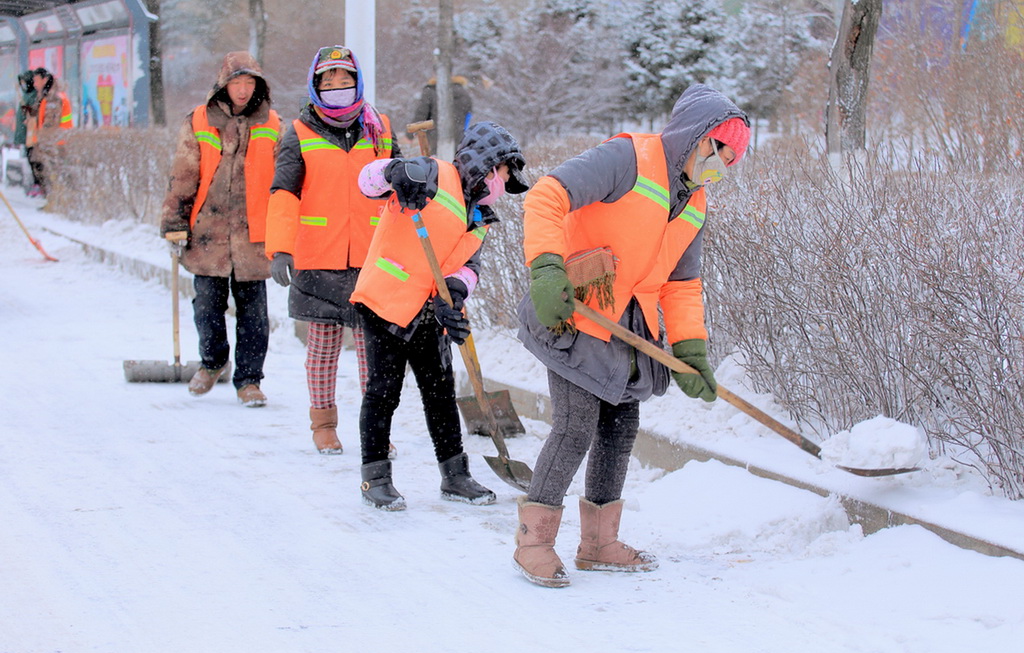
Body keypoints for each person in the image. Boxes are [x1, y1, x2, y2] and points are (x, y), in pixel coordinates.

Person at [513, 83, 751, 587]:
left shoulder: (694, 202)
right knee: (575, 426)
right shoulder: (628, 158)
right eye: (720, 149)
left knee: (619, 430)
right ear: (696, 137)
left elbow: (682, 282)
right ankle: (533, 542)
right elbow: (548, 194)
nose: (722, 165)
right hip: (574, 308)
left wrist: (691, 347)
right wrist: (546, 267)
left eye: (732, 158)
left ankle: (598, 543)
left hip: (628, 325)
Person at [351, 121, 529, 510]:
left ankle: (455, 475)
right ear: (487, 163)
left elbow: (469, 266)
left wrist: (456, 295)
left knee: (441, 394)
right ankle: (375, 479)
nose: (504, 181)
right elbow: (366, 183)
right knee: (384, 393)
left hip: (428, 311)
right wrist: (392, 172)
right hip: (385, 301)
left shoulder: (480, 215)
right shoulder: (430, 172)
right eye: (503, 171)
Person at [264, 45, 400, 454]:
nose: (338, 88)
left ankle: (375, 427)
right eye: (329, 82)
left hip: (371, 255)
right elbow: (284, 191)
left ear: (357, 83)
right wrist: (280, 248)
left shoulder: (381, 128)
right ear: (315, 86)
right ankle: (323, 424)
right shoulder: (300, 132)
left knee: (371, 353)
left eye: (345, 80)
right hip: (317, 255)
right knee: (323, 349)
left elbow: (400, 184)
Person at [160, 51, 280, 407]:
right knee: (207, 306)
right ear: (223, 84)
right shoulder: (199, 120)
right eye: (236, 82)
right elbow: (183, 174)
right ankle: (212, 362)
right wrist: (174, 224)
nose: (242, 90)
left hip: (254, 235)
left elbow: (285, 180)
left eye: (249, 82)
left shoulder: (273, 123)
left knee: (254, 314)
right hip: (208, 232)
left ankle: (249, 380)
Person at [25, 67, 72, 198]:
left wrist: (42, 141)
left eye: (36, 81)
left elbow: (50, 124)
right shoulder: (46, 95)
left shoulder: (54, 98)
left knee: (54, 172)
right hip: (54, 141)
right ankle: (54, 198)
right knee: (50, 171)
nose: (34, 84)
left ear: (45, 80)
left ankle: (57, 199)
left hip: (56, 142)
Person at [410, 76, 472, 152]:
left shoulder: (431, 90)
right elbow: (468, 115)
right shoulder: (464, 93)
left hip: (435, 135)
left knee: (438, 160)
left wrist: (410, 135)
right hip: (458, 135)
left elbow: (422, 113)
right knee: (454, 159)